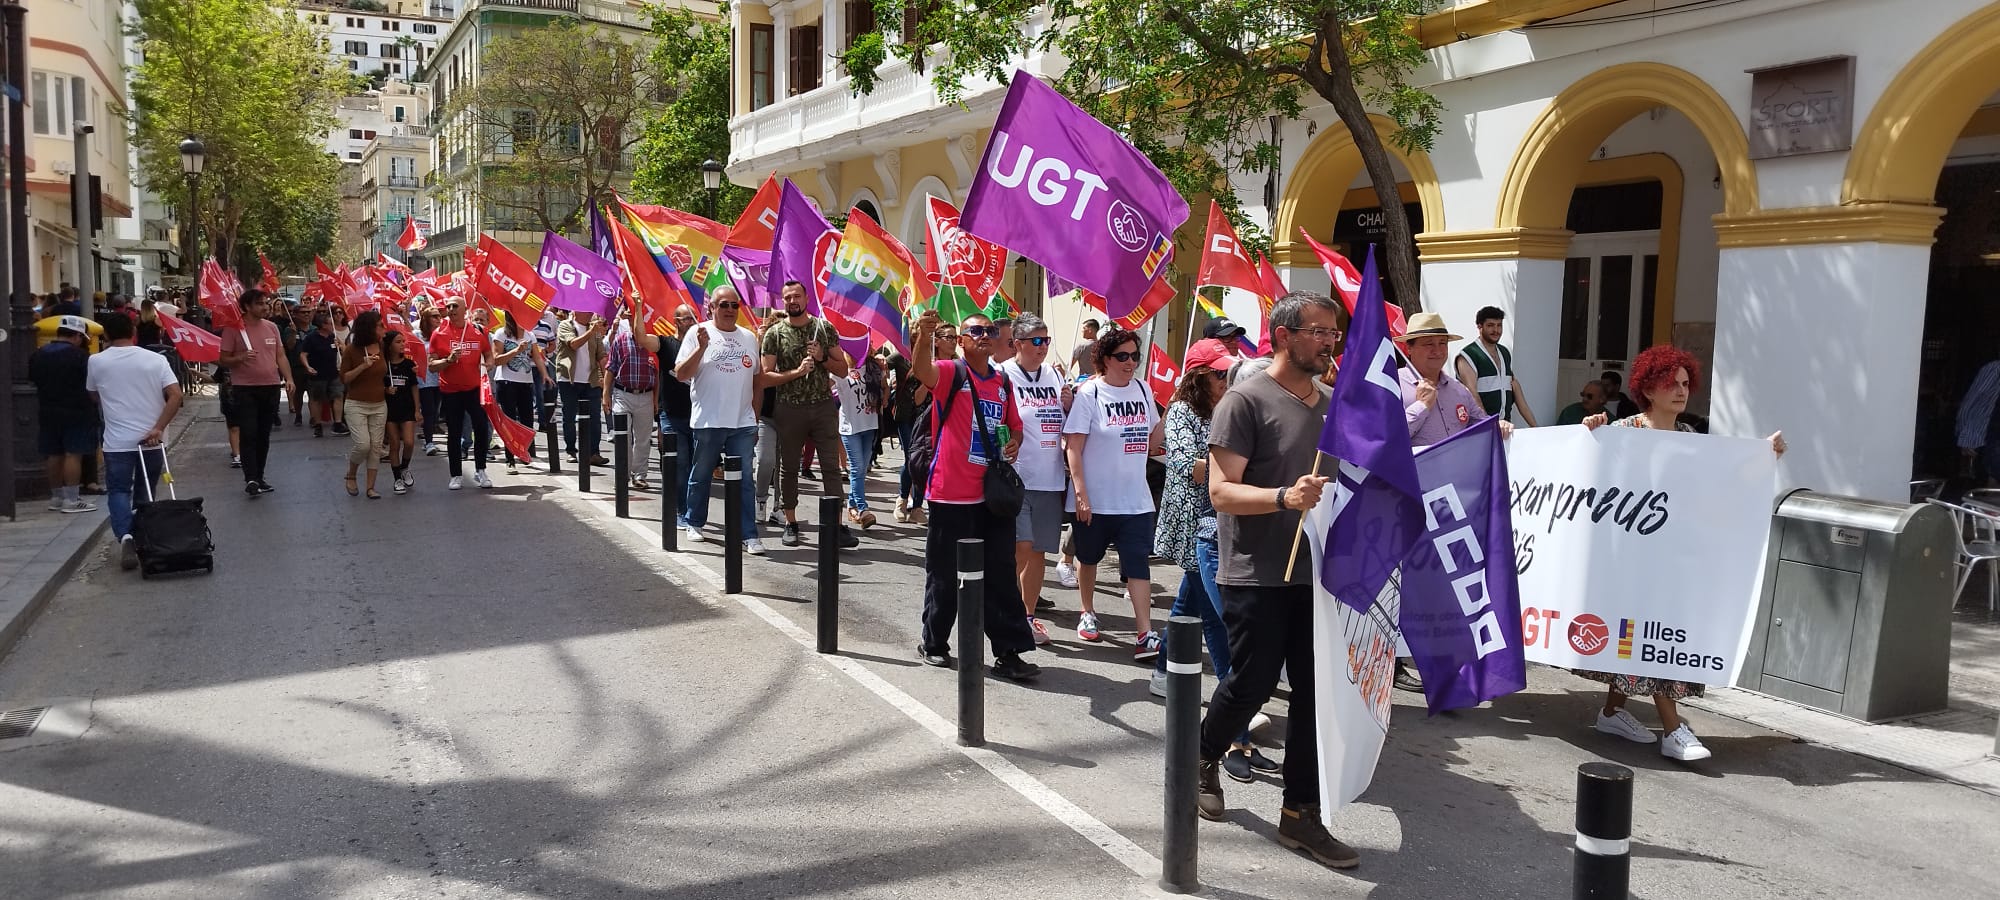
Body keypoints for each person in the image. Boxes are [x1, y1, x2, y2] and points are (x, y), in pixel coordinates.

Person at [1193, 290, 1357, 870]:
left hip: (1318, 575)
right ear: (1283, 335)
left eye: (1333, 333)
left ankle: (1300, 814)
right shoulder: (1244, 401)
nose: (1329, 342)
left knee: (1314, 696)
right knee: (1252, 683)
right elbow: (1221, 492)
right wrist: (1284, 497)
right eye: (1319, 331)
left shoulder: (1334, 405)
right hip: (1256, 572)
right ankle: (1202, 755)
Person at [1581, 345, 1785, 762]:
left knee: (1643, 640)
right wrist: (1592, 429)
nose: (1680, 391)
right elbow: (1591, 469)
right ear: (1647, 389)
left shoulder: (1692, 437)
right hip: (1634, 562)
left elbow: (1720, 483)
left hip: (1674, 563)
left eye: (1685, 383)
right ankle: (1674, 730)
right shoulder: (1623, 431)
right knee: (1652, 638)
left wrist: (1763, 456)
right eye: (1670, 383)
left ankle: (1611, 713)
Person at [1149, 338, 1283, 781]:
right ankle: (1234, 734)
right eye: (1220, 373)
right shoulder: (1182, 412)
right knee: (1219, 625)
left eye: (1230, 373)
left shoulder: (1234, 407)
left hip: (1224, 525)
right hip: (1196, 524)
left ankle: (1165, 667)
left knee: (1194, 606)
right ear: (1199, 376)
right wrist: (1240, 463)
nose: (1227, 379)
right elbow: (1186, 465)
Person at [909, 308, 1039, 681]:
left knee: (1000, 575)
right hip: (951, 494)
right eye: (975, 331)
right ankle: (934, 643)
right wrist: (925, 335)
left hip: (992, 498)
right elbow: (922, 371)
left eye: (989, 331)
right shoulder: (952, 372)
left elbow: (1015, 427)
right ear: (962, 341)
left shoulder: (1002, 382)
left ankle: (1009, 652)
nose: (984, 336)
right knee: (944, 575)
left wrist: (1013, 443)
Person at [1064, 326, 1167, 657]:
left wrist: (1169, 411)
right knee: (1088, 557)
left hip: (1135, 500)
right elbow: (1073, 447)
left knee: (1137, 563)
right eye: (1122, 356)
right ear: (1105, 359)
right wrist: (1081, 494)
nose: (1130, 363)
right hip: (1096, 499)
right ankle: (1087, 611)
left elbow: (1151, 443)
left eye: (1135, 356)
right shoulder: (1090, 394)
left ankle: (1145, 632)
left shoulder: (1143, 389)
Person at [760, 280, 857, 549]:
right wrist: (796, 372)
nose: (792, 301)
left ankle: (836, 525)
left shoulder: (824, 328)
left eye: (797, 296)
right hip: (789, 408)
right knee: (789, 467)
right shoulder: (775, 333)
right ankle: (790, 523)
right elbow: (765, 376)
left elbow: (842, 370)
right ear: (783, 301)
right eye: (787, 297)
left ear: (806, 299)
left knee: (831, 468)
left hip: (822, 407)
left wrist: (823, 357)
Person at [674, 286, 766, 553]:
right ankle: (694, 521)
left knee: (745, 480)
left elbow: (757, 381)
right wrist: (701, 347)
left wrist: (755, 417)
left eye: (734, 305)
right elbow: (681, 374)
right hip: (708, 420)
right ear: (711, 307)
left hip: (742, 422)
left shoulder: (749, 337)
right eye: (723, 304)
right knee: (701, 474)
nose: (729, 310)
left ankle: (749, 534)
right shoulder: (697, 332)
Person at [999, 313, 1072, 644]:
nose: (1043, 347)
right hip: (1017, 477)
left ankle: (1028, 616)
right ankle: (1007, 612)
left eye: (1046, 340)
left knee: (1039, 551)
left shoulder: (1054, 375)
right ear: (1017, 343)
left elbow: (1065, 422)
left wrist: (1069, 405)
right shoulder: (1004, 374)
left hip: (1050, 477)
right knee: (1021, 548)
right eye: (1036, 341)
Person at [88, 314, 182, 570]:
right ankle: (143, 535)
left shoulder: (96, 361)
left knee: (119, 490)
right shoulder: (156, 359)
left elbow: (93, 395)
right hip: (152, 439)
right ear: (133, 331)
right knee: (146, 490)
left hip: (117, 441)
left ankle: (126, 536)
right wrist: (158, 427)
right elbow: (175, 395)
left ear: (106, 335)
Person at [218, 290, 293, 496]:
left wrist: (289, 378)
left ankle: (259, 476)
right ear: (247, 307)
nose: (265, 307)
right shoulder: (234, 329)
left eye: (266, 303)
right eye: (260, 304)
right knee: (249, 433)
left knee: (263, 435)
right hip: (245, 388)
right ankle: (250, 477)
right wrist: (240, 358)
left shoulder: (272, 327)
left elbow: (280, 356)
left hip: (271, 386)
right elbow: (223, 359)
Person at [28, 315, 100, 513]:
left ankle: (56, 497)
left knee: (53, 453)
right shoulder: (80, 356)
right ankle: (72, 499)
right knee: (73, 454)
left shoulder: (39, 354)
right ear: (77, 336)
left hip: (47, 409)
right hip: (76, 410)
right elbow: (90, 384)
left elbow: (32, 379)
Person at [428, 297, 494, 490]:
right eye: (448, 306)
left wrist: (489, 363)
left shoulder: (478, 331)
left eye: (455, 306)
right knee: (454, 432)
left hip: (474, 389)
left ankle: (480, 469)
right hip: (451, 391)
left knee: (481, 427)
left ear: (465, 309)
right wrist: (448, 360)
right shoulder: (439, 333)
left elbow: (488, 353)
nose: (450, 309)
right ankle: (456, 474)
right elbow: (431, 366)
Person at [603, 308, 661, 491]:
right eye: (634, 319)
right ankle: (623, 474)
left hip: (645, 394)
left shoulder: (654, 343)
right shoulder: (620, 340)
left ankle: (639, 475)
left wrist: (655, 399)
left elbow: (658, 374)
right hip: (623, 394)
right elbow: (611, 368)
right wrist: (605, 394)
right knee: (623, 437)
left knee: (643, 439)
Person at [1455, 305, 1538, 427]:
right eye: (1490, 325)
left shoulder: (1504, 353)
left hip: (1505, 427)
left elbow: (1516, 390)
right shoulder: (1468, 355)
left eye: (1499, 325)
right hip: (1478, 428)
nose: (1496, 330)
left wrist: (1536, 427)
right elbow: (1472, 395)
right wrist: (1490, 425)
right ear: (1479, 326)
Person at [339, 310, 390, 499]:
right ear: (369, 328)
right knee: (363, 445)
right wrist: (363, 366)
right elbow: (344, 378)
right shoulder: (351, 350)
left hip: (379, 404)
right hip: (356, 404)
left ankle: (370, 487)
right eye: (380, 325)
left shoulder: (382, 346)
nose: (384, 328)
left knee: (376, 447)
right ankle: (351, 474)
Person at [833, 349, 884, 528]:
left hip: (870, 425)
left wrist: (881, 394)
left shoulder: (873, 368)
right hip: (850, 427)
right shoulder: (840, 370)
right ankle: (863, 509)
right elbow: (825, 386)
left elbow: (884, 390)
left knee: (861, 470)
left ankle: (852, 506)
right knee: (857, 468)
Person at [657, 305, 698, 525]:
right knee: (680, 463)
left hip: (697, 415)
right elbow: (642, 338)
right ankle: (680, 510)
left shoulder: (701, 346)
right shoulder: (666, 343)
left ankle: (691, 510)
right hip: (672, 414)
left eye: (694, 318)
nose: (691, 322)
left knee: (695, 466)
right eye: (686, 319)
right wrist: (639, 308)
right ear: (676, 321)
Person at [493, 313, 548, 476]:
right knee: (509, 422)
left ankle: (523, 451)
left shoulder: (530, 335)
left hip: (525, 382)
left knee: (527, 421)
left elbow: (537, 357)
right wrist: (517, 350)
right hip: (506, 382)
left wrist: (545, 374)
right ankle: (510, 459)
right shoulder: (501, 334)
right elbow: (497, 360)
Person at [555, 309, 609, 466]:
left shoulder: (595, 330)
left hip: (591, 380)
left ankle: (594, 453)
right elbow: (573, 344)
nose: (590, 314)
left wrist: (607, 380)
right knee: (569, 416)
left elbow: (601, 355)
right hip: (569, 379)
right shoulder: (565, 325)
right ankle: (571, 451)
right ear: (576, 311)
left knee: (595, 418)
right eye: (586, 310)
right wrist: (591, 332)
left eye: (591, 311)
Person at [383, 330, 420, 493]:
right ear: (389, 345)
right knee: (394, 444)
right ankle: (397, 478)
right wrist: (385, 390)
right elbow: (376, 385)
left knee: (409, 442)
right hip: (389, 409)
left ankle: (404, 467)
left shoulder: (409, 365)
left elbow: (414, 388)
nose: (402, 345)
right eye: (398, 342)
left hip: (407, 408)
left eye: (403, 341)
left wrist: (417, 409)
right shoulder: (383, 365)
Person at [297, 312, 343, 438]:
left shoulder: (333, 336)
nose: (333, 325)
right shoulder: (311, 338)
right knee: (317, 399)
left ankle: (338, 423)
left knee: (338, 396)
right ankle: (318, 424)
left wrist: (340, 346)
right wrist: (308, 367)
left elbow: (344, 349)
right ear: (323, 325)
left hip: (333, 372)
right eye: (330, 323)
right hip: (317, 374)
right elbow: (303, 354)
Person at [417, 307, 445, 456]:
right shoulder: (417, 335)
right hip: (424, 379)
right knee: (429, 411)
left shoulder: (442, 335)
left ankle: (428, 438)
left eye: (439, 316)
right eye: (434, 316)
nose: (438, 319)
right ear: (426, 319)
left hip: (440, 379)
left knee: (435, 412)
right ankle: (429, 442)